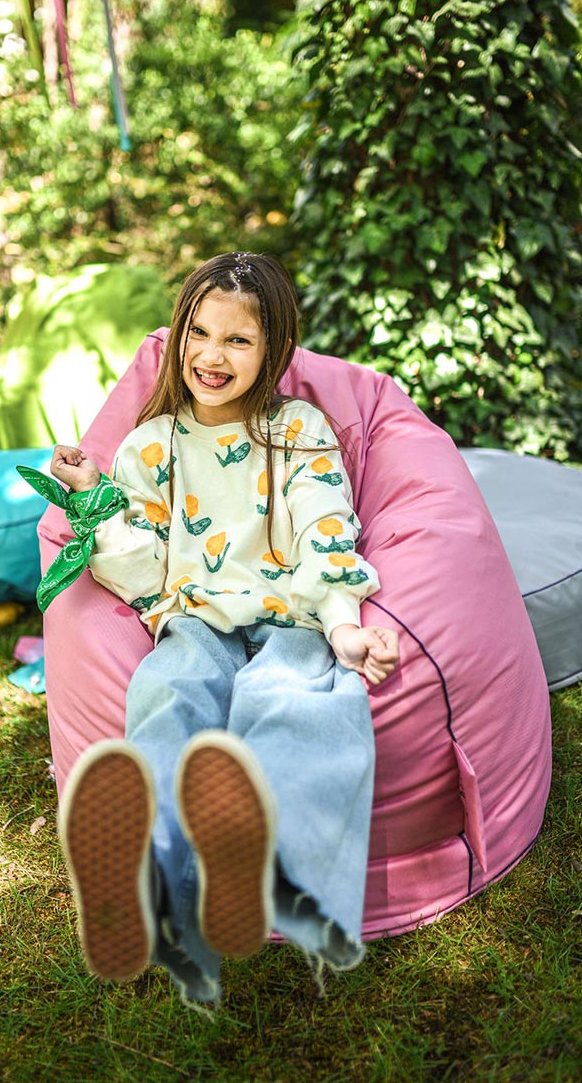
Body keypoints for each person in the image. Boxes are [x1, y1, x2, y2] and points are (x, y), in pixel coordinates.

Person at [47, 251, 399, 1006]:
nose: (212, 355)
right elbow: (138, 573)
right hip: (194, 619)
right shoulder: (151, 446)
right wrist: (91, 503)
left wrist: (343, 623)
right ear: (177, 336)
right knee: (170, 696)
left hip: (291, 612)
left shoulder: (297, 429)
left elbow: (326, 525)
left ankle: (260, 865)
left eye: (238, 340)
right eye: (198, 333)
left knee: (296, 701)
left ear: (275, 350)